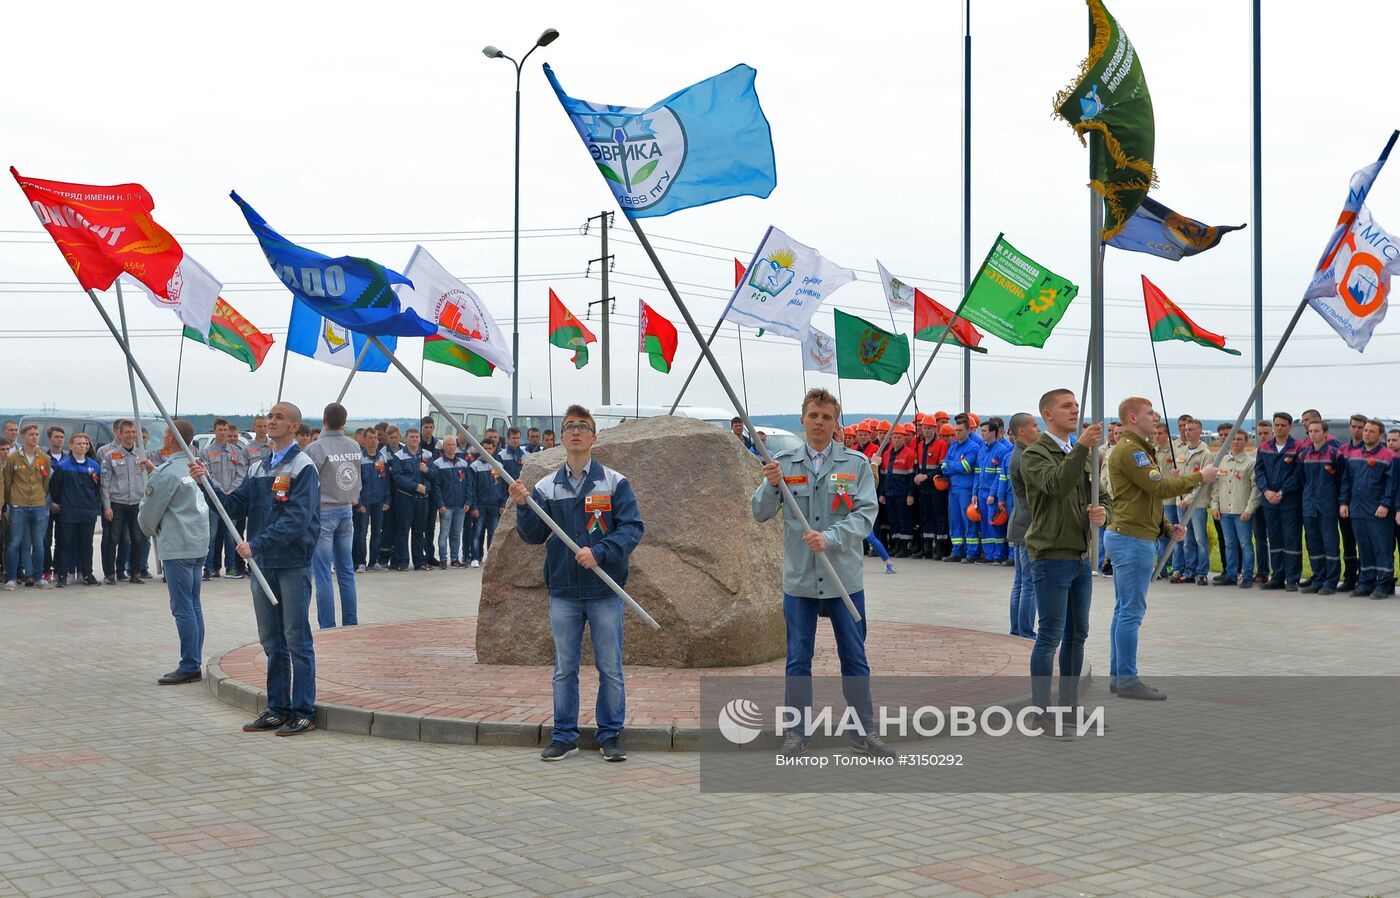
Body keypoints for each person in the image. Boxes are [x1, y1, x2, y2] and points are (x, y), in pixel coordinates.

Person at [752, 388, 892, 758]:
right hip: (799, 580)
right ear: (802, 419)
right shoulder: (783, 465)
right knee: (798, 658)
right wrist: (769, 485)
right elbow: (759, 512)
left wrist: (830, 537)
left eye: (826, 417)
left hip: (843, 578)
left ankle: (864, 732)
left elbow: (864, 516)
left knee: (855, 657)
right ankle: (797, 733)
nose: (819, 422)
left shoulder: (855, 464)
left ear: (835, 423)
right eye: (813, 415)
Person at [511, 404, 644, 762]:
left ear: (593, 436)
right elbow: (533, 535)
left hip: (604, 591)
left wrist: (599, 552)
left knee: (610, 668)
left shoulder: (614, 482)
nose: (575, 431)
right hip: (564, 593)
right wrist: (525, 507)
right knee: (564, 669)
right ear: (562, 435)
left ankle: (611, 735)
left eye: (582, 426)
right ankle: (564, 735)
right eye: (569, 425)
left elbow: (632, 528)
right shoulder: (545, 487)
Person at [192, 402, 320, 736]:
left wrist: (257, 545)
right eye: (270, 416)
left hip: (291, 564)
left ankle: (303, 710)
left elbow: (297, 519)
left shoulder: (303, 466)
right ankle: (277, 708)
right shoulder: (258, 467)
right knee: (271, 640)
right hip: (263, 567)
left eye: (279, 417)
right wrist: (207, 484)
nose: (271, 421)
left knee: (296, 639)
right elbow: (233, 505)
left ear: (294, 426)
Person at [1105, 398, 1216, 701]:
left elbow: (1142, 499)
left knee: (1124, 609)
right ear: (1132, 418)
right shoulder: (1131, 451)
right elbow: (1159, 489)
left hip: (1133, 534)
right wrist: (1200, 478)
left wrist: (1167, 529)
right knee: (1131, 611)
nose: (1154, 418)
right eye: (1148, 414)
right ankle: (1126, 679)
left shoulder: (1139, 449)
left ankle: (1119, 675)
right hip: (1131, 540)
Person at [1020, 389, 1105, 729]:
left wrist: (1103, 513)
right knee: (1050, 634)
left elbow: (1103, 494)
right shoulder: (1035, 453)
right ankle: (1041, 712)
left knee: (1077, 634)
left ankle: (1068, 707)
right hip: (1051, 554)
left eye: (1076, 405)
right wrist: (1083, 446)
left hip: (1080, 555)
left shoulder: (1082, 453)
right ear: (1047, 414)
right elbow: (1056, 484)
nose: (1075, 410)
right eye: (1066, 406)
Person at [139, 419, 211, 685]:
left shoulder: (167, 472)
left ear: (170, 436)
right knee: (193, 604)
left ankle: (190, 664)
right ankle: (194, 659)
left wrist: (148, 528)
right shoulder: (194, 467)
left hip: (178, 545)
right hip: (197, 542)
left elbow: (148, 512)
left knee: (182, 607)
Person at [303, 403, 362, 628]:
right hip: (347, 508)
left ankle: (327, 625)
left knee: (324, 573)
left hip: (324, 512)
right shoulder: (354, 445)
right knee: (346, 571)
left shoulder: (315, 449)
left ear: (324, 420)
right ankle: (351, 622)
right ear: (344, 422)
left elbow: (307, 483)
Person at [1340, 418, 1396, 599]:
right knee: (1364, 548)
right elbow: (1346, 481)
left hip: (1378, 510)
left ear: (1381, 435)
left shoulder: (1389, 456)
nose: (1366, 433)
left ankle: (1384, 584)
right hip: (1357, 509)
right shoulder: (1354, 455)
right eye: (1365, 430)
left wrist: (1386, 504)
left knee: (1382, 548)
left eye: (1371, 431)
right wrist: (1343, 502)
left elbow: (1392, 484)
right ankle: (1366, 582)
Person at [100, 420, 155, 584]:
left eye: (133, 432)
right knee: (114, 539)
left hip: (137, 503)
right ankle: (110, 574)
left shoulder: (143, 456)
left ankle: (135, 573)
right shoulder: (111, 456)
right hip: (117, 502)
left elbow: (152, 478)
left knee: (137, 539)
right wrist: (107, 506)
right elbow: (105, 483)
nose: (131, 435)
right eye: (127, 432)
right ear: (120, 434)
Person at [1256, 412, 1304, 591]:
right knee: (1274, 538)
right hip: (1269, 502)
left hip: (1289, 501)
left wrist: (1282, 492)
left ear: (1290, 427)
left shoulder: (1297, 447)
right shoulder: (1265, 447)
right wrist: (1266, 491)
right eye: (1276, 425)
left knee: (1291, 539)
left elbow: (1298, 474)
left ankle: (1292, 578)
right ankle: (1277, 576)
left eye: (1283, 425)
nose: (1279, 428)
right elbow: (1259, 471)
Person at [1297, 420, 1344, 595]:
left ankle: (1331, 581)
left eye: (1317, 430)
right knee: (1313, 544)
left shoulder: (1335, 455)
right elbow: (1303, 479)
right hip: (1309, 505)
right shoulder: (1303, 456)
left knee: (1330, 544)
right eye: (1310, 431)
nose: (1313, 434)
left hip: (1328, 506)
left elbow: (1341, 479)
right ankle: (1318, 579)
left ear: (1325, 433)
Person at [49, 432, 102, 588]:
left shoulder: (94, 465)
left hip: (87, 512)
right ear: (71, 446)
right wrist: (61, 502)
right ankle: (63, 575)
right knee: (65, 544)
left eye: (85, 443)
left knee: (87, 544)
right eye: (79, 443)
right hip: (69, 512)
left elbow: (97, 488)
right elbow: (55, 488)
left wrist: (93, 504)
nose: (83, 446)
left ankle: (87, 574)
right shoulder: (63, 466)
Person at [1210, 429, 1260, 589]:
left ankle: (1247, 575)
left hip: (1241, 510)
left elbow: (1256, 488)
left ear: (1246, 441)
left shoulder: (1250, 462)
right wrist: (1215, 505)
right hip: (1225, 510)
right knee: (1229, 543)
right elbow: (1216, 485)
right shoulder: (1222, 461)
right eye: (1233, 439)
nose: (1236, 442)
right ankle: (1231, 574)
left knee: (1245, 544)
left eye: (1239, 439)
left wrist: (1249, 509)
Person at [5, 425, 52, 590]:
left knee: (39, 543)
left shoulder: (44, 458)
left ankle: (39, 577)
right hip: (19, 505)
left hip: (38, 504)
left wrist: (40, 496)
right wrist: (12, 501)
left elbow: (45, 483)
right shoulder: (13, 458)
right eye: (31, 434)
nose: (34, 437)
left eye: (37, 434)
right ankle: (11, 578)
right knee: (14, 543)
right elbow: (8, 482)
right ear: (23, 436)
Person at [1006, 412, 1039, 639]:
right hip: (1028, 524)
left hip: (1019, 522)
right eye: (1035, 426)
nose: (1038, 430)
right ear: (1022, 431)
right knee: (1028, 583)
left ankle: (1018, 629)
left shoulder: (1018, 453)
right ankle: (1025, 631)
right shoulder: (1025, 456)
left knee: (1020, 582)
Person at [203, 419, 249, 581]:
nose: (223, 433)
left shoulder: (237, 452)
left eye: (225, 429)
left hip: (232, 498)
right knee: (212, 534)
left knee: (232, 535)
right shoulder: (207, 452)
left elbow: (241, 473)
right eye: (220, 430)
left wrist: (230, 491)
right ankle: (208, 569)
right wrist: (219, 491)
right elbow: (207, 474)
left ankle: (231, 568)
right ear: (214, 431)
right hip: (214, 499)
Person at [1170, 418, 1213, 586]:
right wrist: (1176, 478)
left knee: (1200, 539)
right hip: (1180, 502)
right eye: (1186, 429)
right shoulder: (1181, 452)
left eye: (1191, 429)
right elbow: (1182, 480)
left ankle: (1201, 572)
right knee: (1186, 539)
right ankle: (1189, 570)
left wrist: (1188, 500)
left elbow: (1203, 481)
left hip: (1197, 503)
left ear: (1200, 432)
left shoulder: (1206, 454)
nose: (1187, 432)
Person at [943, 413, 985, 563]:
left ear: (968, 430)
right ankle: (957, 550)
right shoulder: (953, 446)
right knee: (955, 521)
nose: (958, 433)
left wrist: (951, 465)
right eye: (956, 430)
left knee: (969, 521)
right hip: (953, 489)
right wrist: (955, 466)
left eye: (961, 430)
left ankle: (971, 552)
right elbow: (943, 466)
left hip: (966, 489)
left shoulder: (973, 447)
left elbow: (967, 467)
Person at [390, 428, 434, 571]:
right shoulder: (398, 456)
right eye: (412, 437)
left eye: (416, 437)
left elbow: (435, 475)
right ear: (406, 438)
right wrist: (415, 486)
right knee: (403, 530)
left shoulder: (427, 455)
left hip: (423, 499)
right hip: (405, 498)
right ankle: (402, 562)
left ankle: (419, 562)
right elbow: (397, 477)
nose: (415, 439)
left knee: (419, 531)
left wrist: (426, 470)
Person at [1337, 413, 1369, 593]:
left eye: (1360, 427)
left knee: (1365, 543)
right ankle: (1349, 577)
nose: (1357, 431)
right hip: (1345, 504)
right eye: (1354, 426)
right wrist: (1342, 501)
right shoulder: (1343, 450)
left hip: (1365, 506)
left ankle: (1365, 578)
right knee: (1348, 542)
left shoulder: (1373, 450)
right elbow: (1341, 479)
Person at [431, 436, 474, 567]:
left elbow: (468, 485)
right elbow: (436, 486)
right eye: (448, 445)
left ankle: (455, 559)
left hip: (461, 505)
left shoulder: (463, 463)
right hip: (446, 505)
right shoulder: (437, 464)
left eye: (453, 444)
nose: (451, 447)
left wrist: (468, 501)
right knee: (444, 533)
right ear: (443, 447)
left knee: (456, 533)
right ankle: (443, 559)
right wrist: (440, 504)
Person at [354, 427, 390, 573]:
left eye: (375, 437)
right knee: (362, 533)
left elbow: (386, 481)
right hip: (365, 501)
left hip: (379, 501)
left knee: (377, 532)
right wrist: (359, 503)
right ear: (364, 440)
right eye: (370, 437)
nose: (373, 440)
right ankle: (361, 562)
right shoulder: (359, 458)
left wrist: (387, 500)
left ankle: (373, 562)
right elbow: (355, 482)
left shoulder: (382, 457)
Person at [913, 416, 950, 560]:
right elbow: (917, 465)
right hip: (923, 487)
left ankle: (940, 547)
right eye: (924, 427)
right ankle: (927, 548)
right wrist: (917, 476)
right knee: (926, 516)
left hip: (935, 486)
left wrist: (926, 477)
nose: (926, 430)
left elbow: (941, 467)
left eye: (929, 428)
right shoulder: (919, 445)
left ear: (935, 429)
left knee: (938, 516)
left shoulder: (941, 445)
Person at [880, 424, 918, 558]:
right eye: (894, 437)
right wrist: (882, 494)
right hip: (889, 493)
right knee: (893, 520)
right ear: (891, 439)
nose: (896, 440)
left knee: (904, 520)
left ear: (904, 439)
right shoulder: (886, 454)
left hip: (902, 494)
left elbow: (911, 477)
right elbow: (883, 476)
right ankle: (896, 544)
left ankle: (904, 546)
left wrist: (910, 494)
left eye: (899, 438)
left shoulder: (909, 454)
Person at [979, 417, 1013, 564]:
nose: (982, 434)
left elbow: (1000, 476)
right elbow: (977, 473)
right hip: (981, 492)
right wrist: (975, 492)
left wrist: (993, 494)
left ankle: (1000, 555)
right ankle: (989, 554)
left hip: (992, 493)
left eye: (984, 431)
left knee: (997, 524)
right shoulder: (983, 449)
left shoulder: (1002, 450)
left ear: (993, 432)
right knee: (986, 525)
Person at [469, 435, 507, 567]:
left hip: (495, 505)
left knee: (493, 534)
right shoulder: (474, 466)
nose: (487, 450)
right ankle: (475, 557)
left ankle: (491, 559)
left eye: (489, 448)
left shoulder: (499, 466)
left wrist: (503, 503)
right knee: (477, 533)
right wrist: (474, 506)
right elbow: (471, 488)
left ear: (494, 449)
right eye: (484, 448)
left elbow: (503, 487)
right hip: (480, 505)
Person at [41, 425, 66, 583]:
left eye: (62, 437)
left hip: (64, 506)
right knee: (45, 539)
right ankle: (45, 569)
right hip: (46, 506)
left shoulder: (68, 459)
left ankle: (59, 569)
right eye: (56, 437)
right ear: (49, 439)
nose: (59, 440)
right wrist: (49, 503)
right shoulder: (43, 459)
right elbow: (41, 484)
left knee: (62, 539)